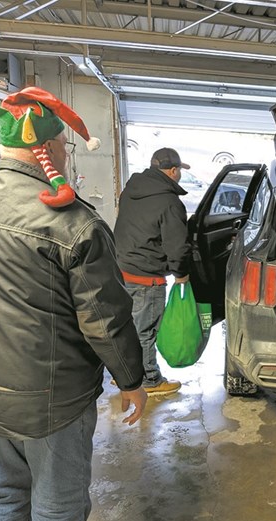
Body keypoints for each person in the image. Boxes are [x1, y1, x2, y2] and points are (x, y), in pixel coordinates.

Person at [0, 87, 147, 521]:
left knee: (2, 497)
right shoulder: (74, 223)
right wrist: (131, 380)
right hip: (53, 401)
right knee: (57, 509)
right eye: (65, 146)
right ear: (49, 147)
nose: (67, 155)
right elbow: (105, 321)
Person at [114, 147, 193, 395]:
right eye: (180, 170)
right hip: (146, 276)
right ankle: (149, 380)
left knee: (127, 327)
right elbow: (177, 245)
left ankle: (125, 376)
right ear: (173, 171)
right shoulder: (170, 203)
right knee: (145, 331)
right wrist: (181, 274)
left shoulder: (131, 190)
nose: (180, 175)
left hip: (121, 269)